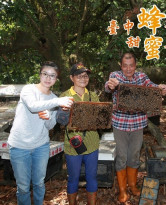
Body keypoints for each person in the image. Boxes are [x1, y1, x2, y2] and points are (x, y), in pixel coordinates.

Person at [104, 52, 166, 203]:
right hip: (119, 123)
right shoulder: (115, 76)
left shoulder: (141, 77)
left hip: (138, 124)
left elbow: (152, 87)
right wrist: (109, 85)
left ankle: (132, 186)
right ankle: (122, 190)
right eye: (125, 65)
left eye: (131, 65)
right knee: (121, 157)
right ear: (121, 66)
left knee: (133, 156)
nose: (128, 69)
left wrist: (161, 87)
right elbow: (109, 86)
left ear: (135, 65)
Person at [8, 61, 74, 205]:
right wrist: (57, 102)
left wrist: (47, 117)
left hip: (41, 146)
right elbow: (33, 106)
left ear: (56, 79)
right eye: (45, 74)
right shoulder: (28, 90)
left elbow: (50, 125)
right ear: (40, 74)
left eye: (52, 75)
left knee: (39, 183)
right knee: (23, 187)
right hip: (20, 146)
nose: (48, 78)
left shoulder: (54, 99)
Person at [56, 63, 100, 205]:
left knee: (92, 176)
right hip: (73, 144)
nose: (83, 78)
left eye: (85, 75)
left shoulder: (93, 96)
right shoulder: (65, 96)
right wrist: (64, 112)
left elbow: (99, 119)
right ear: (71, 78)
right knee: (73, 177)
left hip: (92, 143)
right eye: (79, 75)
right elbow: (61, 121)